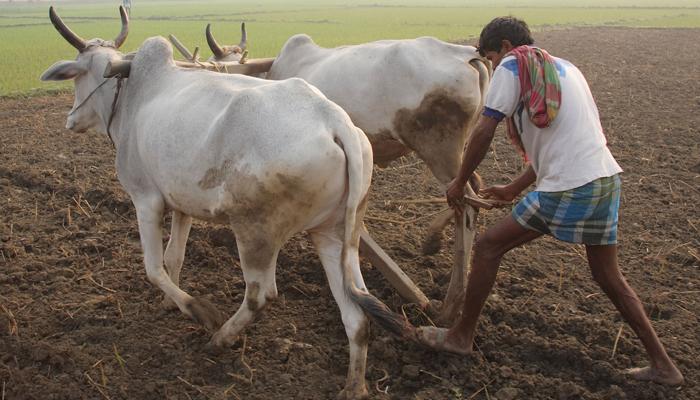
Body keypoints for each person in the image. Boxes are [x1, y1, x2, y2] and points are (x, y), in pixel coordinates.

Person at [416, 16, 683, 386]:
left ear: (506, 47)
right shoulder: (565, 69)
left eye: (491, 58)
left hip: (569, 188)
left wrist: (459, 180)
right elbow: (563, 144)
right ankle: (664, 366)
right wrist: (513, 188)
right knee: (609, 277)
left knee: (489, 246)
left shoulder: (513, 65)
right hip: (604, 180)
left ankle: (460, 336)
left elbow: (485, 127)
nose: (493, 67)